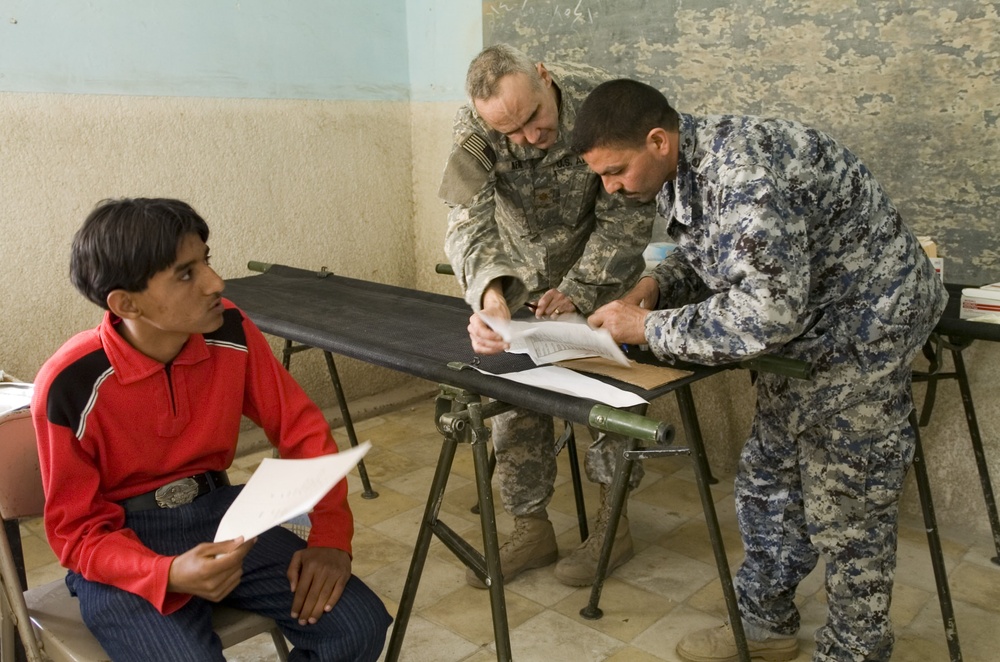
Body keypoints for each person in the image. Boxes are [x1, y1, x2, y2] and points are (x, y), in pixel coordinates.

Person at [572, 80, 946, 662]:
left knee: (848, 503)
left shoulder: (744, 174)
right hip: (806, 330)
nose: (611, 187)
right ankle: (765, 625)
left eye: (616, 170)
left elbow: (764, 313)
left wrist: (645, 329)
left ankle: (855, 650)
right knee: (768, 484)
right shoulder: (680, 169)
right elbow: (725, 260)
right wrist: (655, 286)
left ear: (658, 140)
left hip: (868, 327)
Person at [31, 198, 392, 661]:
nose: (215, 283)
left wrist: (330, 538)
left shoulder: (231, 331)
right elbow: (76, 531)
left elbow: (301, 431)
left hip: (222, 519)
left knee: (357, 627)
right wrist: (164, 574)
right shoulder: (70, 384)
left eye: (207, 260)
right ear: (125, 303)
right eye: (185, 274)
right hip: (124, 543)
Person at [439, 44, 656, 588]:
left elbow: (628, 215)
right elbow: (467, 220)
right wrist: (490, 293)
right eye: (511, 133)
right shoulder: (477, 126)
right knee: (515, 399)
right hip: (522, 281)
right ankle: (530, 527)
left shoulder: (597, 106)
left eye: (536, 119)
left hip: (604, 281)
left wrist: (581, 289)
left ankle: (613, 524)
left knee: (611, 396)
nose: (530, 139)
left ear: (544, 77)